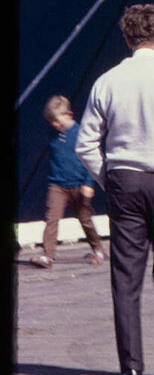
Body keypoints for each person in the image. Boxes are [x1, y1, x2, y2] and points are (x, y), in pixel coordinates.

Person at [75, 4, 154, 375]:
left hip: (125, 182)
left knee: (126, 279)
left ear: (126, 39)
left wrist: (110, 178)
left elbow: (86, 144)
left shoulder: (107, 81)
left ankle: (130, 369)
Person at [30, 94, 106, 268]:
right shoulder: (53, 134)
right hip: (57, 185)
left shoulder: (80, 133)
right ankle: (48, 256)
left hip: (79, 185)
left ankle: (98, 249)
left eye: (57, 121)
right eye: (51, 122)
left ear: (68, 115)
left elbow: (89, 160)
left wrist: (88, 183)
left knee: (85, 219)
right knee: (51, 218)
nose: (54, 125)